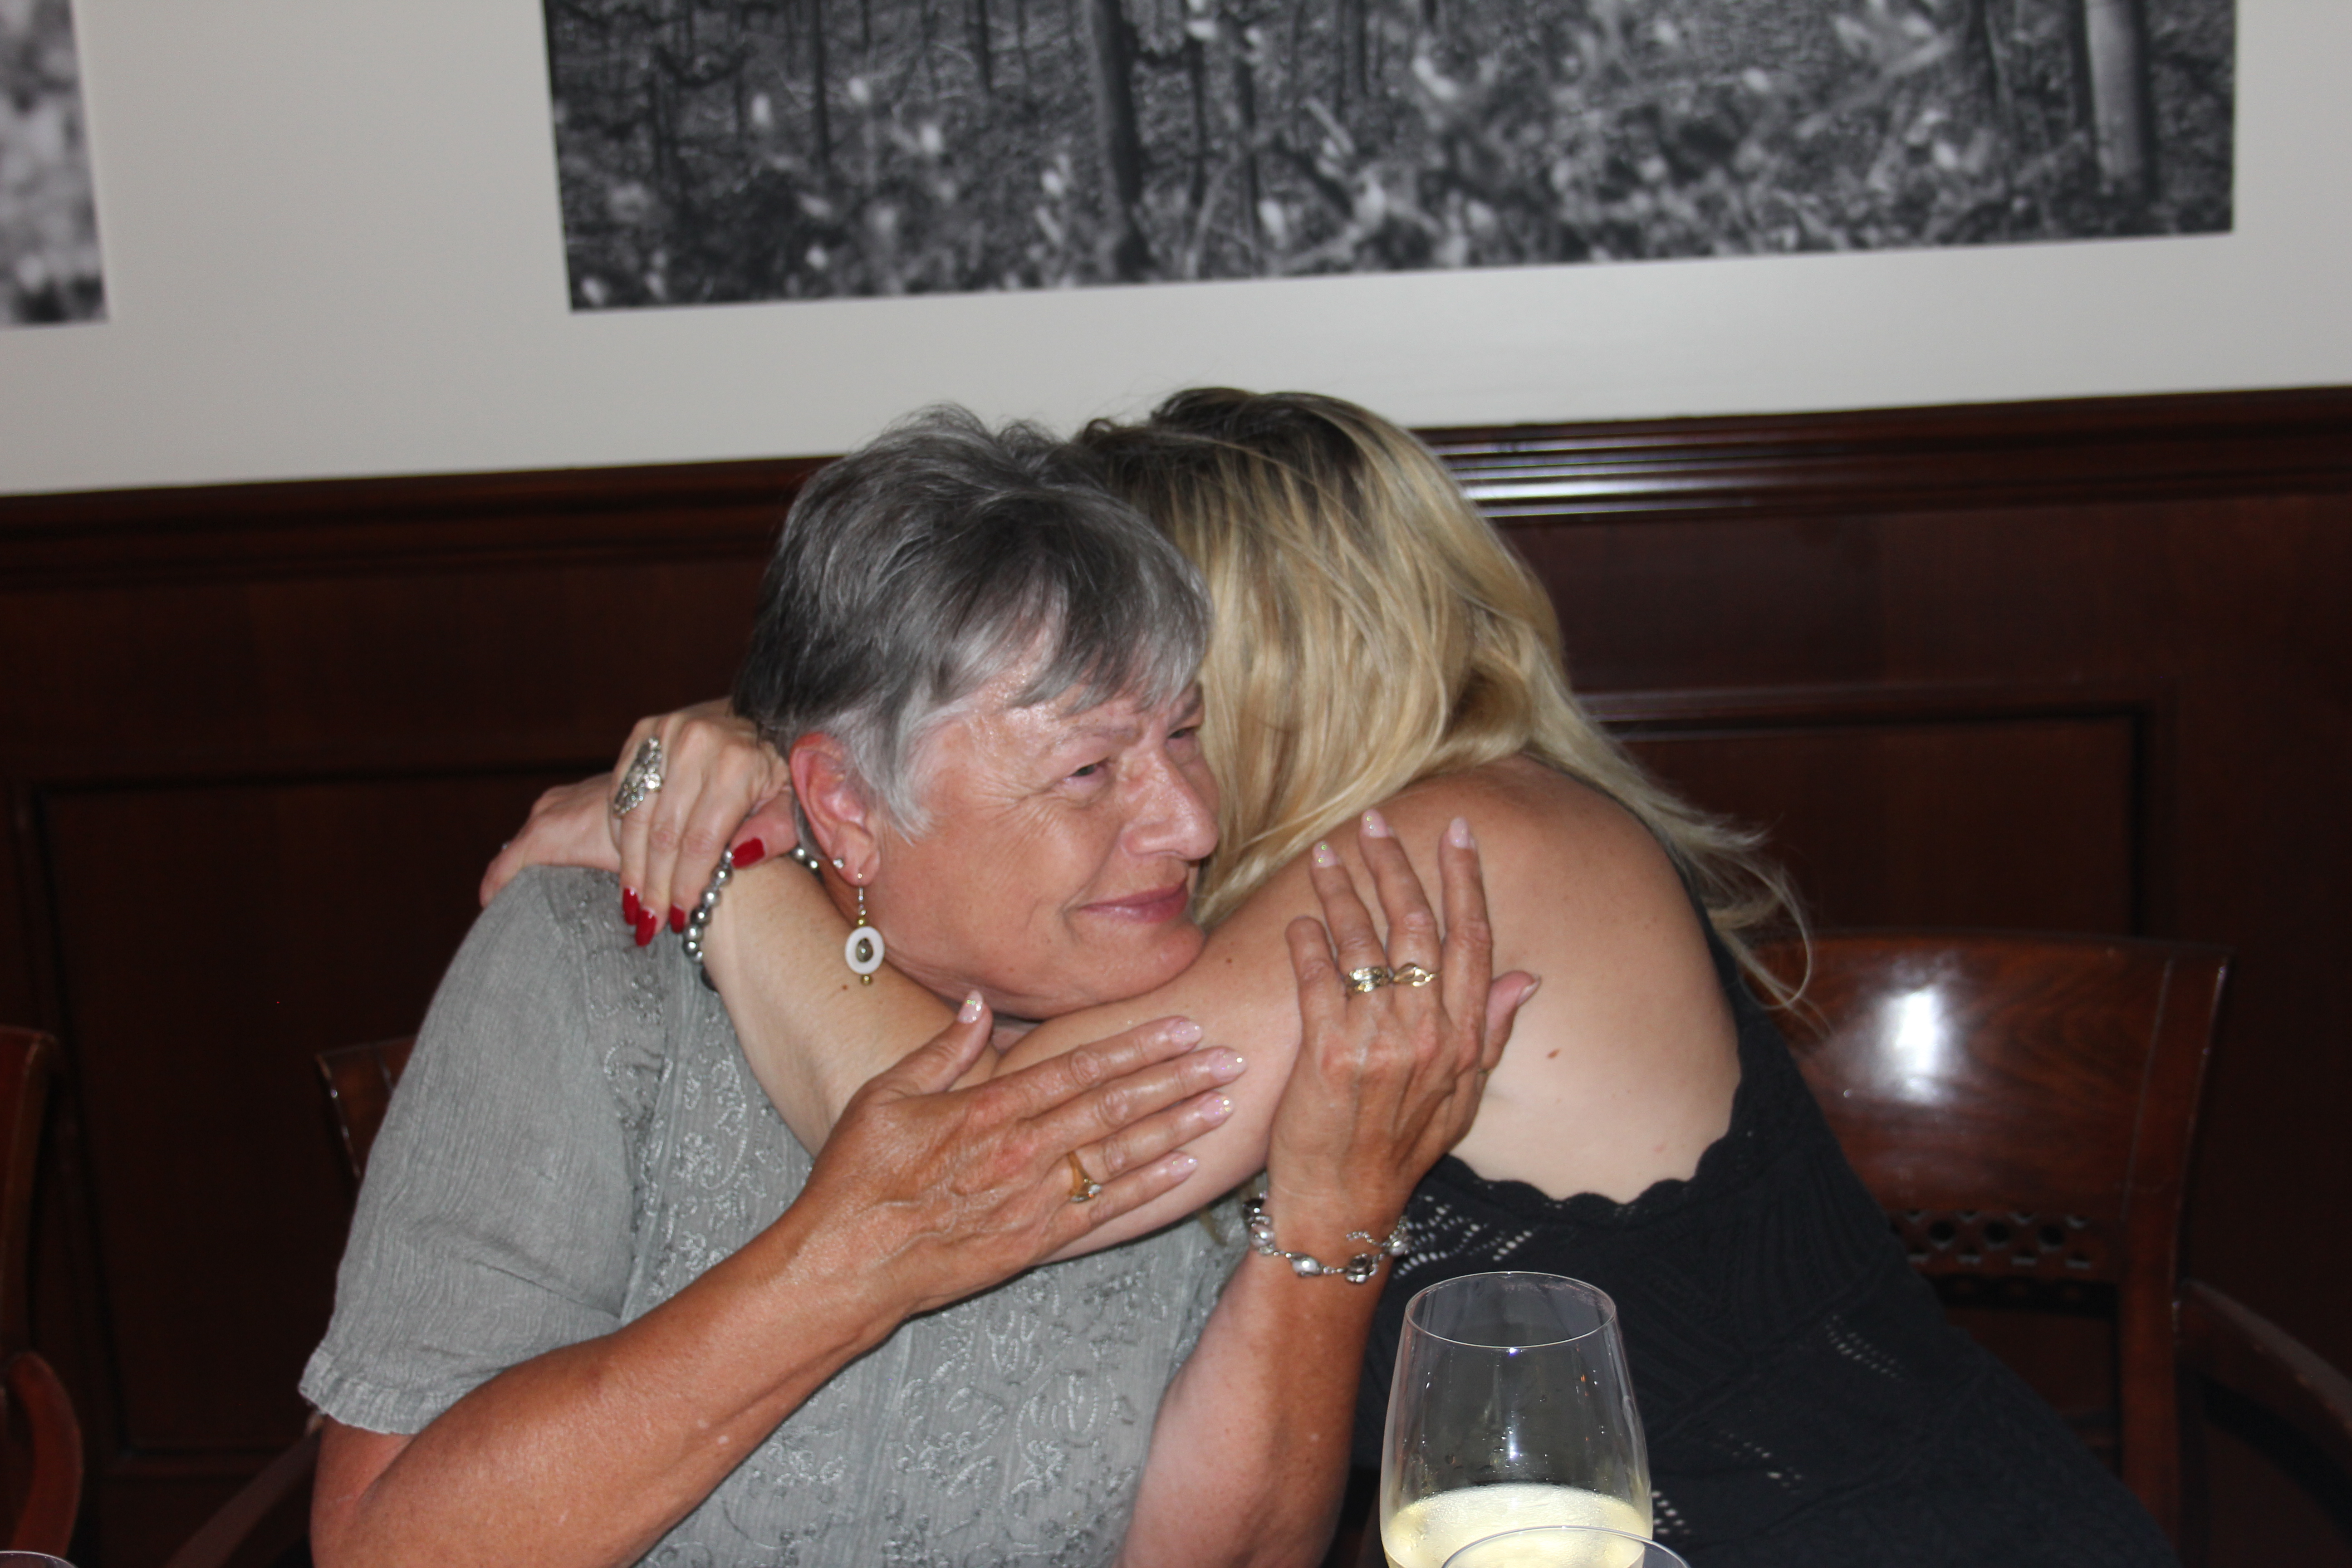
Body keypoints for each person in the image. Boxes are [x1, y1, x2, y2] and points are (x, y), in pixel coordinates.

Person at [496, 389, 2180, 1566]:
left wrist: (732, 866)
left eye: (1145, 670)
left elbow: (991, 1160)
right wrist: (764, 760)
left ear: (1255, 659)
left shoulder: (1469, 846)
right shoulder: (1283, 898)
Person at [303, 409, 1524, 1568]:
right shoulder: (597, 975)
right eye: (1091, 769)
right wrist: (852, 1264)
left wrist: (1331, 1217)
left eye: (1185, 734)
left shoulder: (1230, 1019)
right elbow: (384, 1548)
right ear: (846, 806)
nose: (1192, 824)